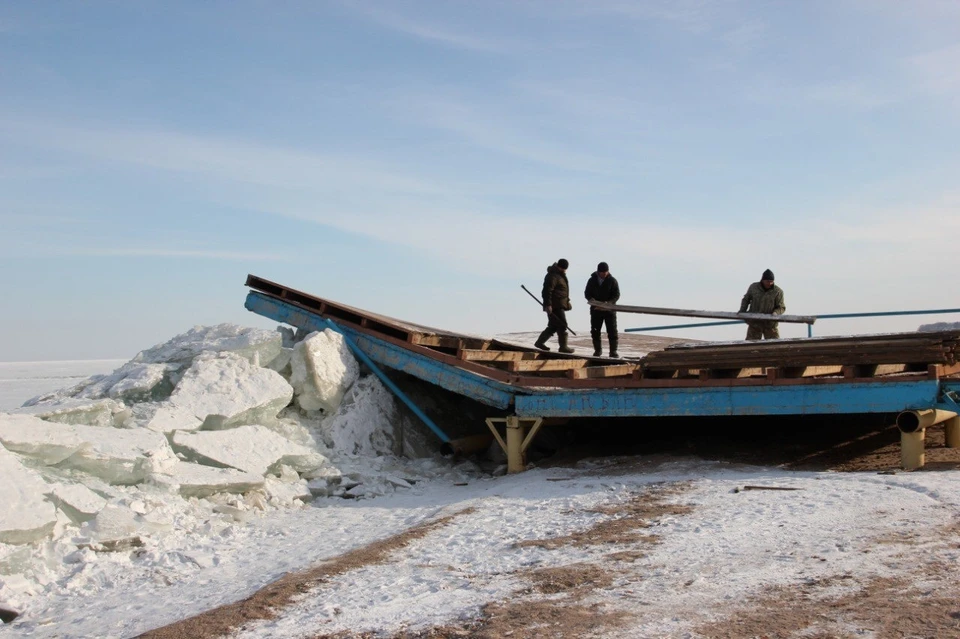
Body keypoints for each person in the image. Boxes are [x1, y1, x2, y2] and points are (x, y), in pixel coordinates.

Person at [534, 258, 574, 353]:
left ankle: (540, 342)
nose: (564, 270)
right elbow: (547, 291)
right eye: (563, 268)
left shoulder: (559, 275)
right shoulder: (553, 276)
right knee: (562, 324)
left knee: (553, 325)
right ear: (560, 267)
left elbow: (562, 291)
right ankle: (563, 347)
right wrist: (548, 305)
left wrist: (566, 302)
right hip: (554, 305)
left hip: (558, 304)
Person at [584, 261, 621, 357]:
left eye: (606, 272)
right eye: (602, 272)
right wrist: (592, 301)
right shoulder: (592, 280)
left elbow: (616, 295)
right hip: (596, 310)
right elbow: (587, 293)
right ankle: (598, 351)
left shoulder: (613, 281)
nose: (604, 274)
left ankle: (613, 352)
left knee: (612, 331)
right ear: (598, 272)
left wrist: (609, 303)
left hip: (609, 311)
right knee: (595, 331)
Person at [738, 269, 785, 340]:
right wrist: (742, 311)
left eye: (771, 281)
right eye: (767, 281)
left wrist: (776, 313)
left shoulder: (778, 292)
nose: (769, 283)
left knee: (774, 346)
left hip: (770, 325)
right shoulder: (753, 288)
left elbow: (781, 307)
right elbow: (746, 299)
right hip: (755, 323)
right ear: (763, 280)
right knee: (751, 346)